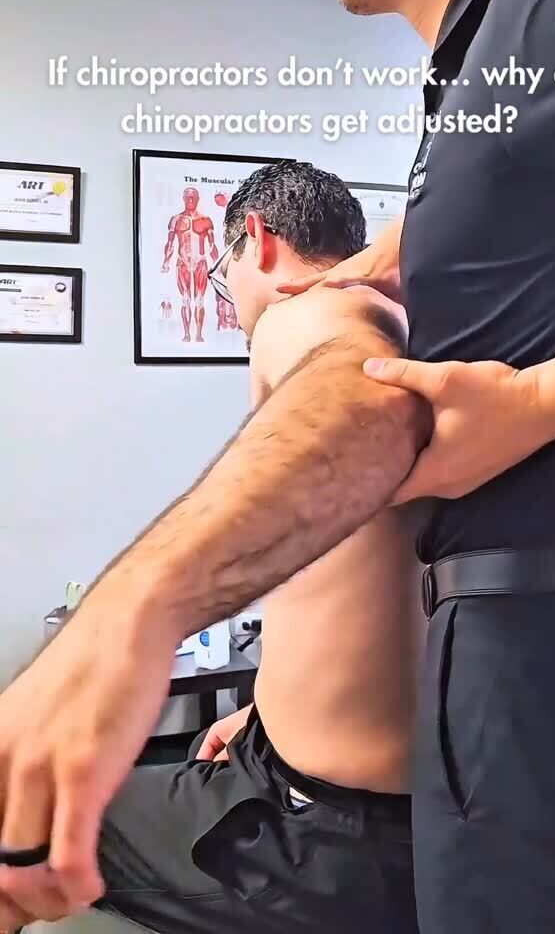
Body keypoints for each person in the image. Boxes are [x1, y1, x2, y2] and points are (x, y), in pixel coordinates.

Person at [1, 0, 555, 931]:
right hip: (497, 685)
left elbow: (367, 399)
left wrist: (130, 617)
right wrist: (412, 245)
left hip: (552, 686)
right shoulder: (481, 87)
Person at [90, 162, 422, 934]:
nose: (228, 297)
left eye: (222, 272)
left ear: (259, 241)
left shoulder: (308, 315)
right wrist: (261, 710)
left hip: (316, 838)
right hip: (360, 800)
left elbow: (353, 373)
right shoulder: (419, 329)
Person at [162, 186, 218, 343]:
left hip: (200, 262)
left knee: (199, 300)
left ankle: (198, 334)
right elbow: (170, 243)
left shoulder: (205, 220)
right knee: (186, 299)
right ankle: (187, 334)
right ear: (183, 199)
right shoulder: (176, 219)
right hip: (183, 262)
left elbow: (212, 245)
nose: (190, 199)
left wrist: (217, 264)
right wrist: (165, 262)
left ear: (198, 199)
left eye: (193, 196)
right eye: (187, 196)